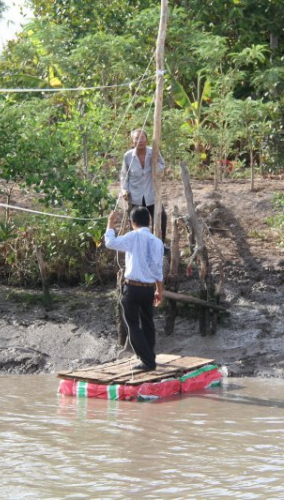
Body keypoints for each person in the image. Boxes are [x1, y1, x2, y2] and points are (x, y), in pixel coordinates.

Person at [105, 206, 165, 371]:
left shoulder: (133, 237)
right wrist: (160, 290)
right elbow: (158, 270)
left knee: (132, 324)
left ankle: (147, 361)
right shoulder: (157, 242)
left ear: (132, 222)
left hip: (132, 288)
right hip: (148, 289)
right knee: (147, 322)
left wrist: (110, 223)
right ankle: (149, 357)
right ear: (149, 222)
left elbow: (110, 242)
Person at [120, 128, 168, 243]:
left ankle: (160, 243)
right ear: (132, 141)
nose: (140, 141)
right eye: (137, 138)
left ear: (146, 140)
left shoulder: (153, 152)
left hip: (151, 194)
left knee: (161, 218)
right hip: (136, 196)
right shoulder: (128, 156)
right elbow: (124, 175)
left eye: (142, 138)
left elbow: (162, 164)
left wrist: (156, 169)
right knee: (138, 223)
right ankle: (139, 245)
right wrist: (124, 190)